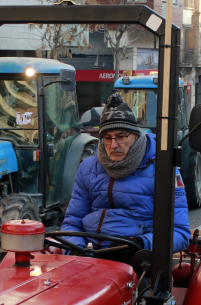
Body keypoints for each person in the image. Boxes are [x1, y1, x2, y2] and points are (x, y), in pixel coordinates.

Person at [61, 95, 190, 255]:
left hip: (137, 257)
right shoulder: (87, 168)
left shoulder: (163, 170)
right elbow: (72, 224)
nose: (113, 145)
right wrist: (76, 250)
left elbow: (180, 233)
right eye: (107, 138)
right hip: (91, 255)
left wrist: (140, 244)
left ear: (135, 135)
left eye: (121, 137)